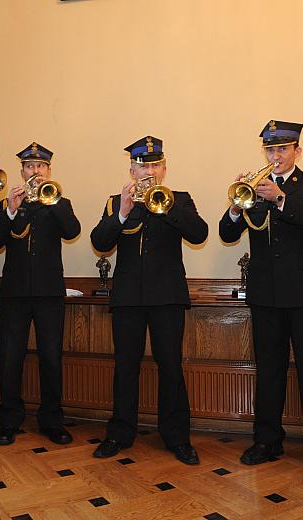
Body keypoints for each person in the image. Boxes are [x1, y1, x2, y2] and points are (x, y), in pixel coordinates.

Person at [218, 120, 303, 483]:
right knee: (268, 372)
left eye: (282, 149)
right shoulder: (253, 189)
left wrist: (280, 199)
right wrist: (238, 205)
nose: (275, 156)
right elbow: (226, 233)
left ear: (297, 151)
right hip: (266, 297)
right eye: (270, 150)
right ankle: (267, 442)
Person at [90, 136, 208, 465]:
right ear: (131, 170)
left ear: (165, 169)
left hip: (167, 297)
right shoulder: (117, 201)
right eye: (142, 164)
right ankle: (119, 433)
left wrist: (167, 208)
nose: (148, 170)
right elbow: (99, 242)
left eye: (155, 164)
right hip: (128, 297)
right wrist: (123, 213)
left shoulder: (179, 200)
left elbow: (199, 233)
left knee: (170, 367)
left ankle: (177, 438)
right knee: (124, 367)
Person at [0, 142, 80, 446]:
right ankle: (9, 421)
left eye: (40, 166)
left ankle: (52, 421)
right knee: (10, 359)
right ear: (22, 171)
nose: (35, 171)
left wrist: (54, 204)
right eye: (29, 166)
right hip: (14, 294)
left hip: (49, 293)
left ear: (49, 171)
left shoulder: (60, 203)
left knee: (51, 358)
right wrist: (10, 211)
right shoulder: (8, 205)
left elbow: (72, 231)